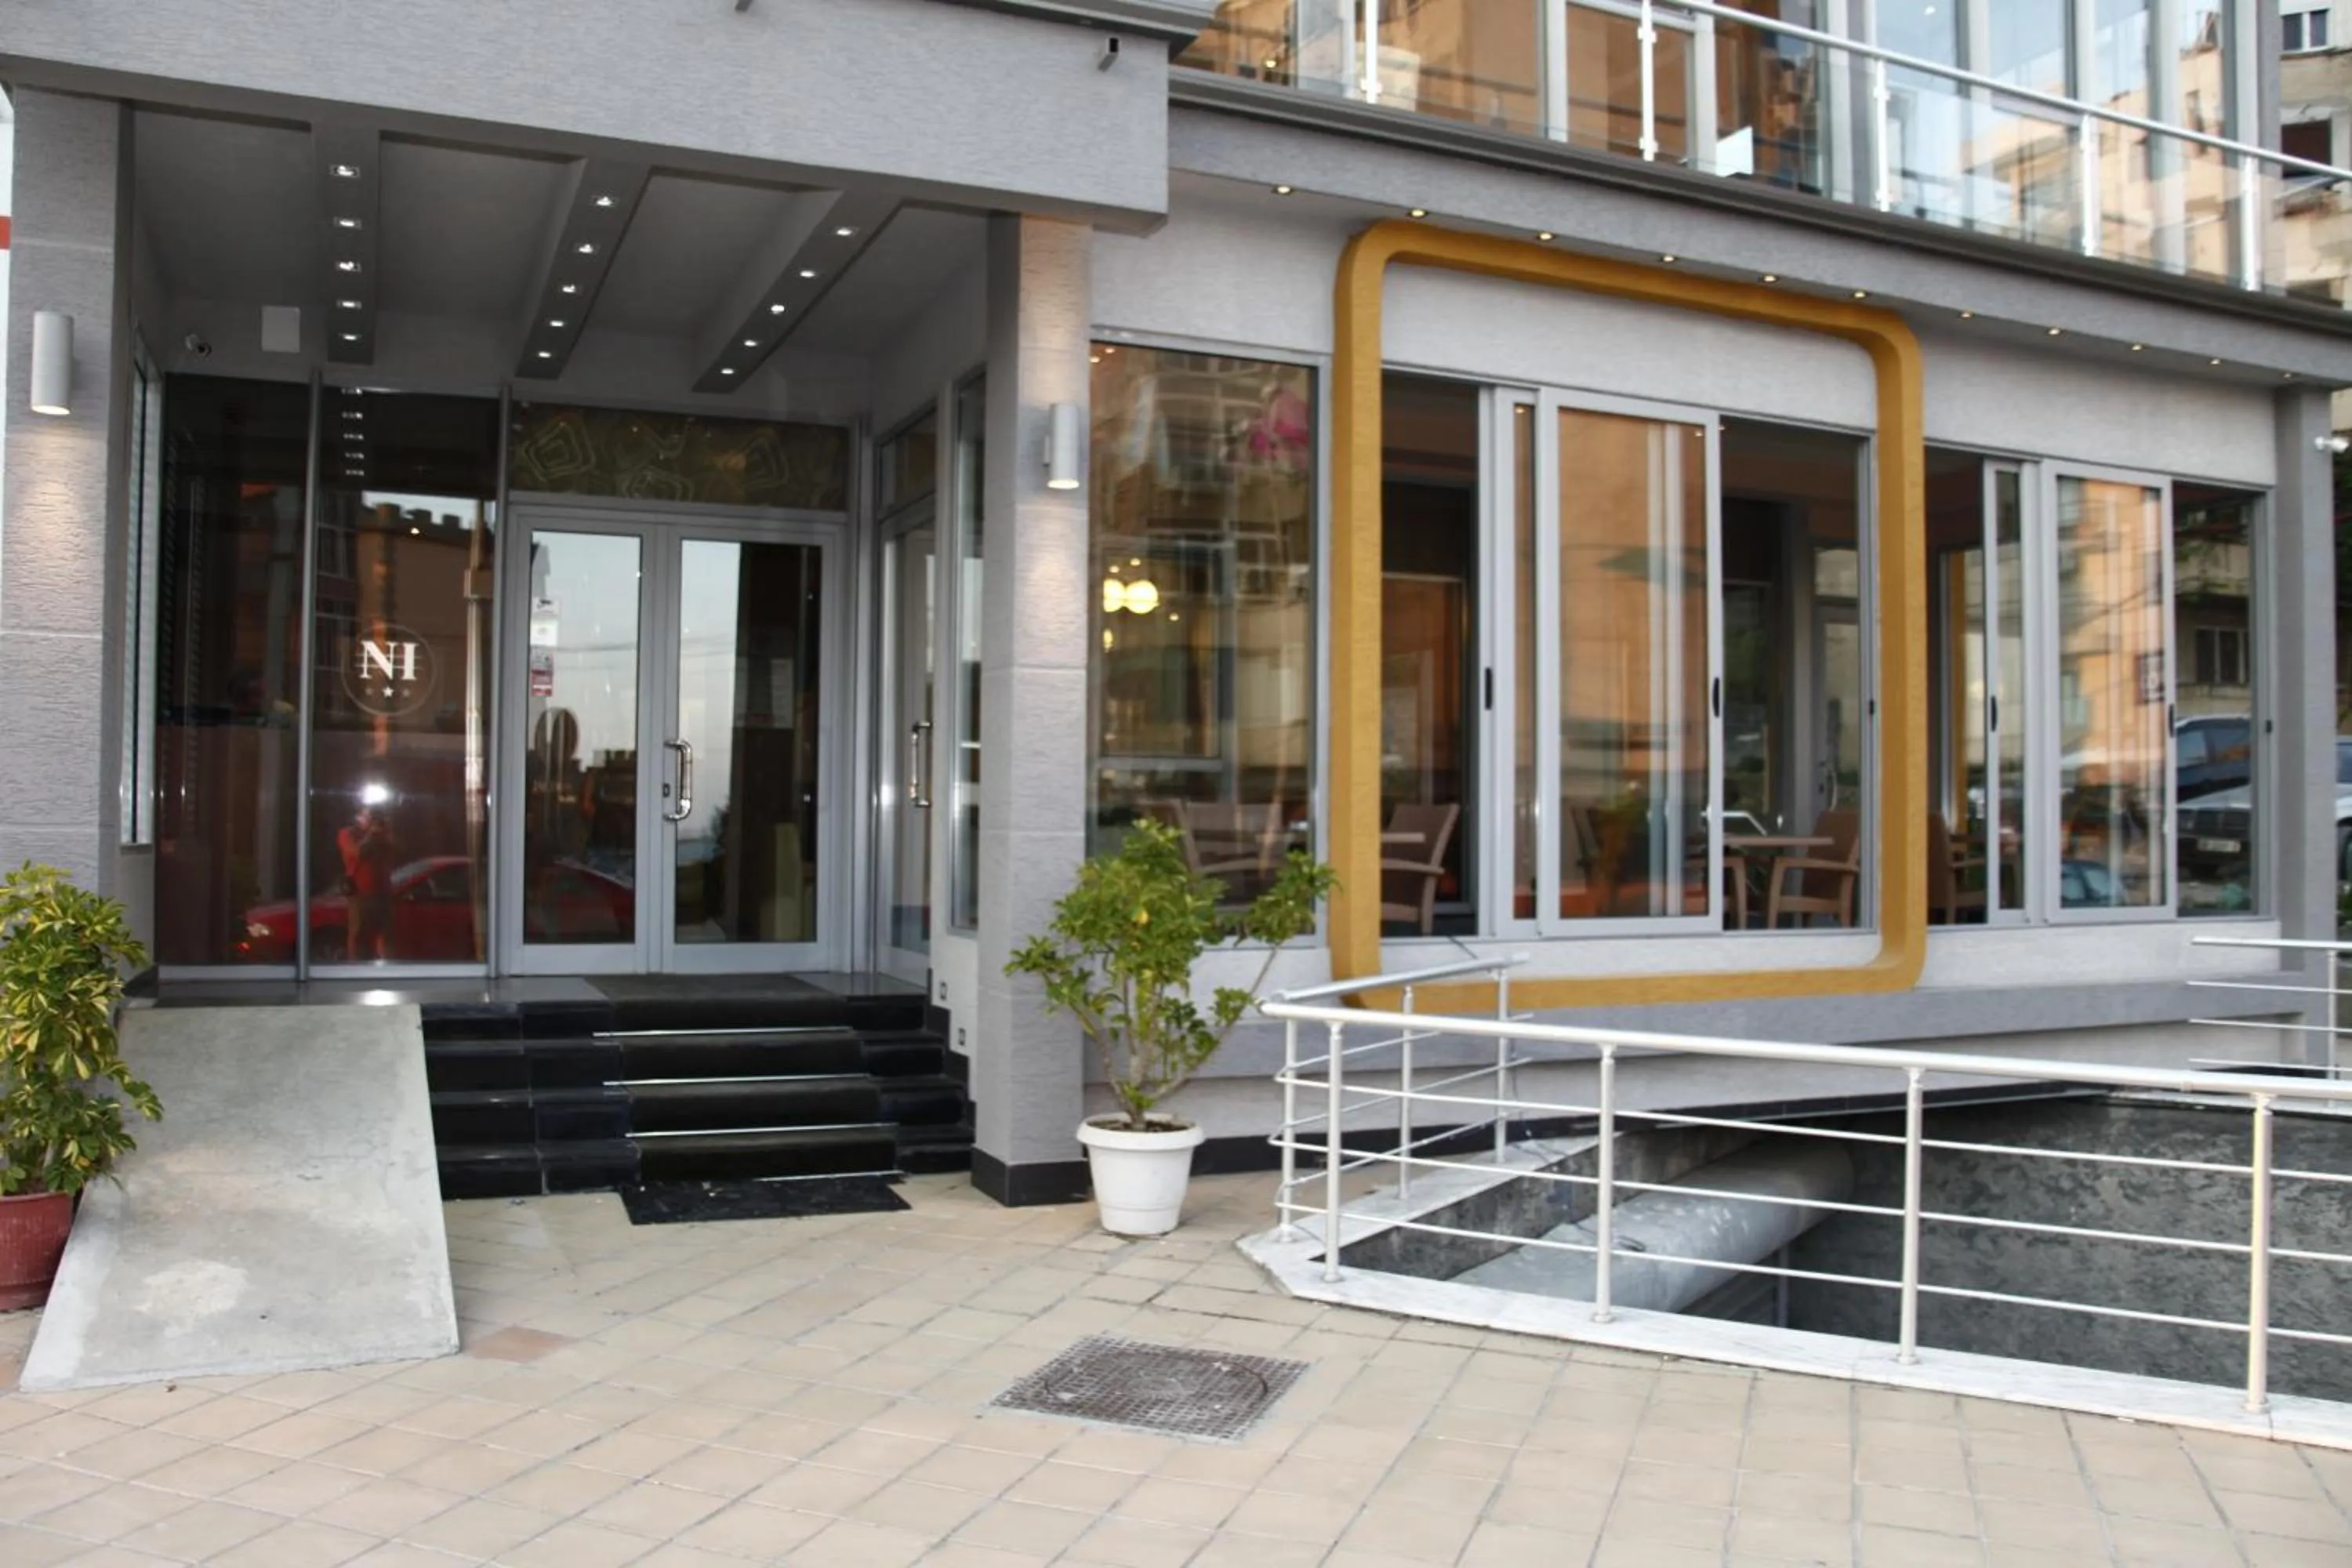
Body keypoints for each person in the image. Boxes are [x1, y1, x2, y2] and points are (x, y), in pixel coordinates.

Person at [339, 805, 397, 960]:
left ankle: (384, 961)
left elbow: (393, 851)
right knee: (359, 930)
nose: (369, 820)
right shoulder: (348, 834)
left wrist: (383, 833)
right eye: (366, 816)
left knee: (383, 930)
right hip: (359, 890)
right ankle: (356, 963)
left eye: (371, 817)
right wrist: (371, 836)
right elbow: (357, 853)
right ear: (357, 817)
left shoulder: (380, 835)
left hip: (382, 888)